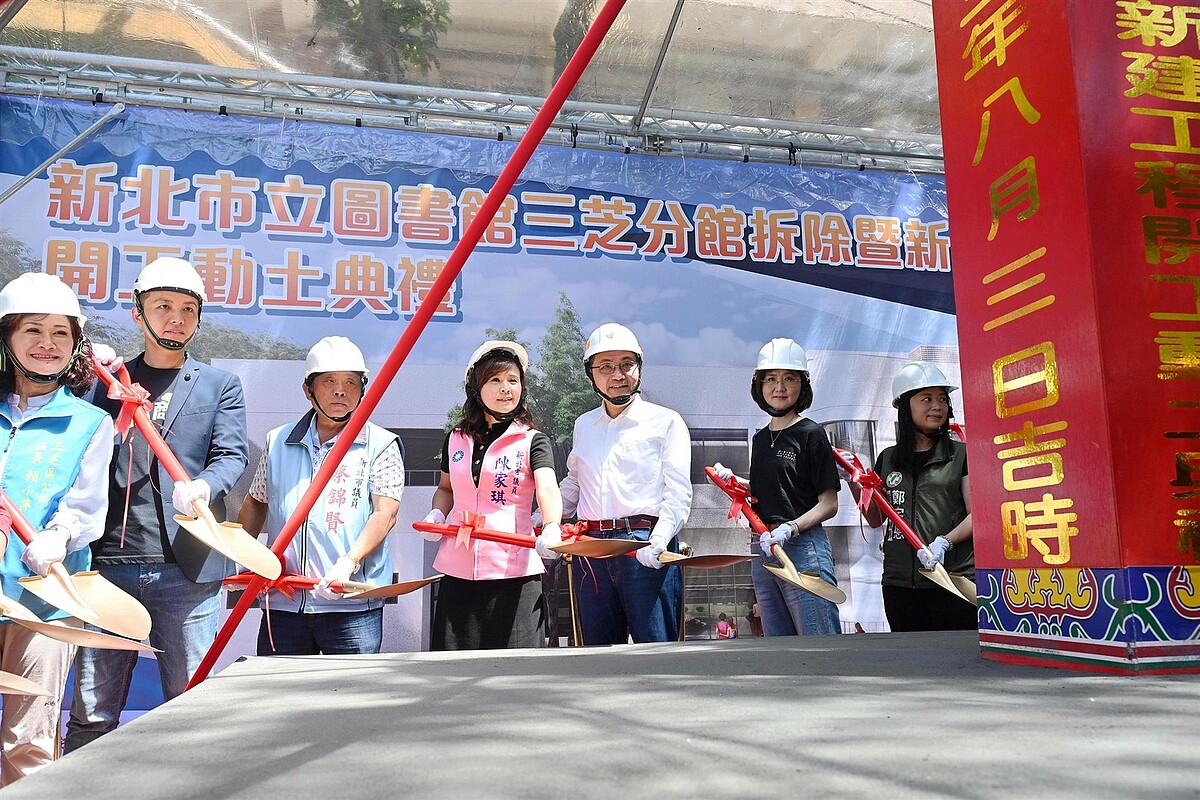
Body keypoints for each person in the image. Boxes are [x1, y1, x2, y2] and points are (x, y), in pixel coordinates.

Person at [65, 257, 249, 753]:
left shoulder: (219, 385)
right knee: (92, 712)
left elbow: (233, 454)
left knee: (193, 710)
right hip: (107, 567)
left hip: (187, 571)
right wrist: (82, 370)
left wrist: (206, 485)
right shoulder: (106, 380)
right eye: (163, 306)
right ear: (138, 312)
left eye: (188, 309)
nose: (176, 318)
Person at [0, 273, 113, 782]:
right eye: (32, 330)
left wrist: (59, 535)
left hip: (43, 603)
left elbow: (87, 505)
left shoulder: (90, 422)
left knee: (29, 740)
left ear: (75, 345)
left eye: (60, 333)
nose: (47, 344)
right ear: (7, 339)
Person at [238, 336, 403, 655]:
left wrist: (349, 562)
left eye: (350, 382)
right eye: (329, 381)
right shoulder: (278, 441)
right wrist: (244, 557)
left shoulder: (381, 444)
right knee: (282, 699)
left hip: (352, 606)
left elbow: (385, 513)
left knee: (349, 699)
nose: (340, 390)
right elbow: (257, 501)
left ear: (363, 388)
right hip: (285, 602)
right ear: (308, 390)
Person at [419, 341, 562, 650]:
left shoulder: (531, 440)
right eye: (495, 380)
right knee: (453, 669)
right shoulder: (456, 439)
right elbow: (446, 489)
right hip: (458, 570)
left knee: (517, 674)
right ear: (475, 386)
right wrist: (438, 514)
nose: (505, 389)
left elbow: (547, 486)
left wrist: (552, 525)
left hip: (515, 573)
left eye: (513, 380)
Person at [558, 323, 692, 644]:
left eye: (626, 364)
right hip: (591, 549)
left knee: (655, 649)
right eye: (605, 366)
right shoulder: (584, 425)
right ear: (591, 375)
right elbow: (573, 485)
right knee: (598, 653)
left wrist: (659, 538)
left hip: (643, 545)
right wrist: (543, 523)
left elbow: (678, 493)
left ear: (639, 369)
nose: (617, 374)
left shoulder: (666, 421)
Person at [716, 338, 841, 636]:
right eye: (770, 379)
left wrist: (791, 528)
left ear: (803, 385)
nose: (779, 387)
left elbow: (829, 503)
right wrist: (736, 482)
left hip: (802, 547)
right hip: (763, 546)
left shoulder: (811, 433)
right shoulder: (760, 439)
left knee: (819, 642)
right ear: (759, 386)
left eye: (789, 378)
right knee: (779, 646)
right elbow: (774, 488)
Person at [852, 361, 975, 632]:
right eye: (927, 399)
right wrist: (855, 481)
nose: (937, 406)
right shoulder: (889, 459)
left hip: (951, 579)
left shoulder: (961, 455)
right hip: (899, 584)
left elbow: (976, 516)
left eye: (942, 399)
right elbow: (876, 519)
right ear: (906, 408)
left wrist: (945, 542)